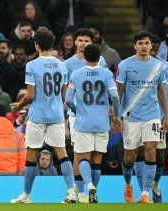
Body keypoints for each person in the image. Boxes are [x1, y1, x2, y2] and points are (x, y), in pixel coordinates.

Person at [10, 27, 76, 203]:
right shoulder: (62, 65)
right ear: (52, 44)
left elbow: (30, 95)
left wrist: (19, 105)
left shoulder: (32, 65)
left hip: (38, 116)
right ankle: (71, 193)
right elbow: (63, 95)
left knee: (32, 154)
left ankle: (26, 195)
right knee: (62, 153)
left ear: (36, 44)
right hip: (56, 115)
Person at [117, 31, 168, 204]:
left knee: (150, 150)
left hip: (152, 116)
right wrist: (117, 115)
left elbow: (161, 90)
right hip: (131, 117)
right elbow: (119, 91)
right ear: (135, 46)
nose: (144, 46)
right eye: (140, 43)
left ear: (151, 46)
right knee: (129, 157)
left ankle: (145, 194)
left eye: (146, 43)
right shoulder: (125, 65)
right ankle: (127, 183)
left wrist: (166, 116)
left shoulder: (158, 66)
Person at [65, 43, 121, 203]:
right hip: (102, 123)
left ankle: (88, 184)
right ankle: (93, 194)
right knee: (97, 160)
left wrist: (77, 111)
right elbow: (115, 97)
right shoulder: (106, 73)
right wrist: (116, 116)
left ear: (84, 56)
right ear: (99, 57)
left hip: (83, 122)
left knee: (82, 157)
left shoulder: (76, 74)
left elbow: (68, 100)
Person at [64, 28, 108, 202]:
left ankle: (85, 192)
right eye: (80, 40)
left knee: (92, 153)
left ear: (91, 43)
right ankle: (81, 193)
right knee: (79, 153)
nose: (83, 43)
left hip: (97, 112)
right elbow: (65, 92)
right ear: (75, 42)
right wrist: (70, 113)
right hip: (77, 111)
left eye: (86, 41)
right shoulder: (68, 64)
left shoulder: (101, 61)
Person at [132, 34, 168, 203]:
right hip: (138, 117)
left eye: (153, 44)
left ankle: (155, 183)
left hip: (158, 116)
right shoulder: (130, 64)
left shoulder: (164, 66)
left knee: (159, 155)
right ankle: (144, 191)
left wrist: (166, 115)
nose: (151, 47)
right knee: (141, 153)